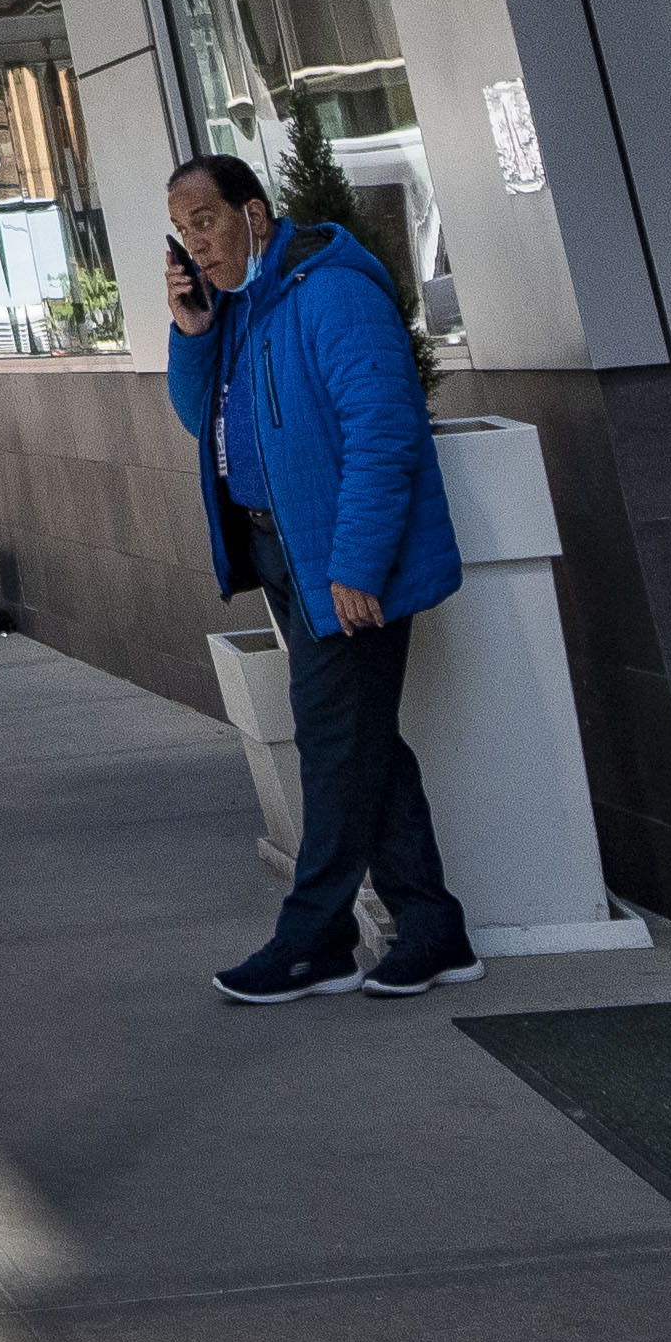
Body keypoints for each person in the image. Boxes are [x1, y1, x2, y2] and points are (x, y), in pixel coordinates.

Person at [159, 152, 474, 1004]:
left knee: (334, 745)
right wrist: (193, 333)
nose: (198, 246)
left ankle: (316, 938)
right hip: (284, 556)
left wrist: (356, 566)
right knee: (363, 742)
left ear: (254, 214)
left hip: (339, 562)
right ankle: (434, 928)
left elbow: (385, 431)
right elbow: (204, 421)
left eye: (208, 223)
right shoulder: (240, 306)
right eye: (183, 232)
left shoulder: (331, 292)